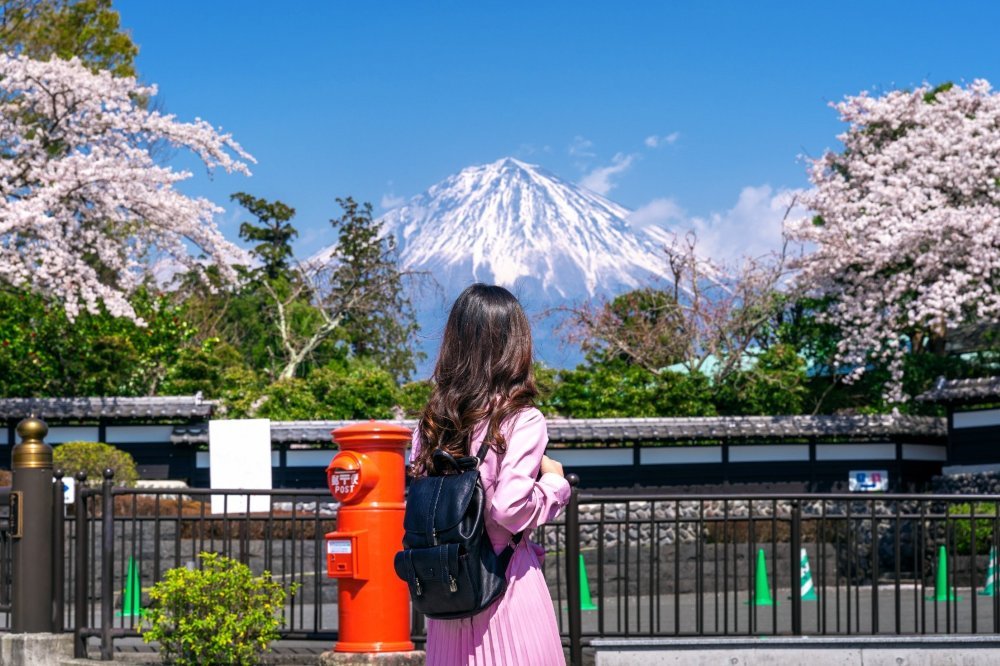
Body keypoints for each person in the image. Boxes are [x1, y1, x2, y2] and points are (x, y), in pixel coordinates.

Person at [409, 283, 570, 666]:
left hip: (448, 597)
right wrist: (554, 486)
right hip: (506, 588)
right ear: (515, 344)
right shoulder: (521, 419)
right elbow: (509, 508)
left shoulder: (429, 426)